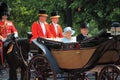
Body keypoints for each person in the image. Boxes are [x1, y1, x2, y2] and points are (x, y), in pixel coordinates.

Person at [0, 2, 18, 76]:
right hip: (1, 41)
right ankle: (1, 66)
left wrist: (16, 34)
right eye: (4, 15)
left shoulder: (10, 23)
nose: (5, 16)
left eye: (6, 15)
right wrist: (2, 38)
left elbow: (15, 30)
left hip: (10, 40)